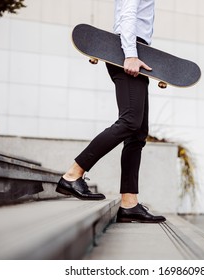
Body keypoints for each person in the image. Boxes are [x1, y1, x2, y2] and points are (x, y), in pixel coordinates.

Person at [56, 0, 165, 223]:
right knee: (130, 122)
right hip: (128, 52)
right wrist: (130, 53)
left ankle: (129, 203)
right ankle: (73, 174)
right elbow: (127, 15)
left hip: (135, 51)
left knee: (138, 133)